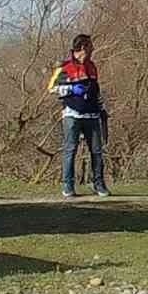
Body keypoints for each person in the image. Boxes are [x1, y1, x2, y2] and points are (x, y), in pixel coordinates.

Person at [48, 34, 108, 198]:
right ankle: (68, 186)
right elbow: (51, 88)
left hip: (92, 114)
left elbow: (96, 90)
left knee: (96, 150)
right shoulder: (64, 67)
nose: (93, 49)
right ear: (82, 48)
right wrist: (71, 90)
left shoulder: (92, 66)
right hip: (72, 114)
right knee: (70, 150)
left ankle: (98, 183)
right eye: (90, 46)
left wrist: (101, 107)